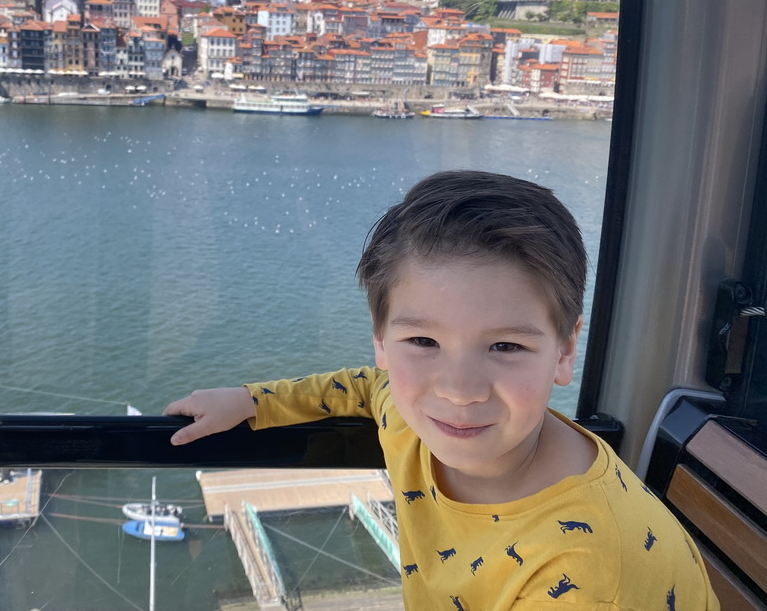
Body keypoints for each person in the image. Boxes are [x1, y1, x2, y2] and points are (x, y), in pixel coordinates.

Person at [164, 170, 719, 611]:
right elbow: (361, 388)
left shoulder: (585, 582)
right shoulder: (405, 413)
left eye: (505, 347)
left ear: (566, 351)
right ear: (381, 340)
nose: (458, 390)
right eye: (423, 341)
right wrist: (252, 402)